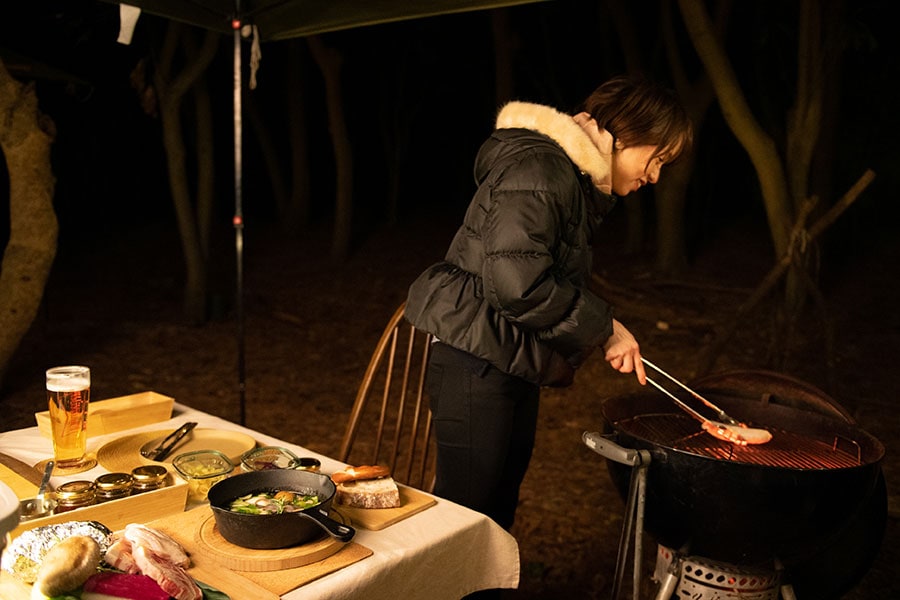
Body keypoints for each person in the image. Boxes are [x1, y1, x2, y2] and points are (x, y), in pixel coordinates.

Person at [405, 74, 693, 534]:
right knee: (461, 527)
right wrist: (605, 329)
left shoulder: (569, 179)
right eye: (655, 158)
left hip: (508, 359)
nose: (655, 175)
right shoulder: (543, 169)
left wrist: (604, 329)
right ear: (624, 133)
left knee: (492, 523)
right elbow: (518, 283)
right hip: (476, 364)